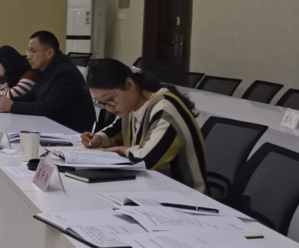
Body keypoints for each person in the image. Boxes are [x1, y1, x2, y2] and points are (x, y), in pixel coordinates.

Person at [80, 59, 207, 193]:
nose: (108, 108)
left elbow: (148, 159)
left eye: (110, 100)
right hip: (150, 188)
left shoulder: (165, 109)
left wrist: (124, 150)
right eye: (101, 103)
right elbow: (116, 131)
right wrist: (99, 138)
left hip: (185, 196)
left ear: (130, 84)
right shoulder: (132, 106)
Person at [0, 31, 95, 132]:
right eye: (28, 51)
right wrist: (8, 101)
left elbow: (48, 108)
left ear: (49, 53)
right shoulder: (45, 69)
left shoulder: (65, 73)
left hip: (72, 133)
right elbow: (32, 96)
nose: (28, 56)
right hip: (53, 126)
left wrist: (12, 106)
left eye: (32, 51)